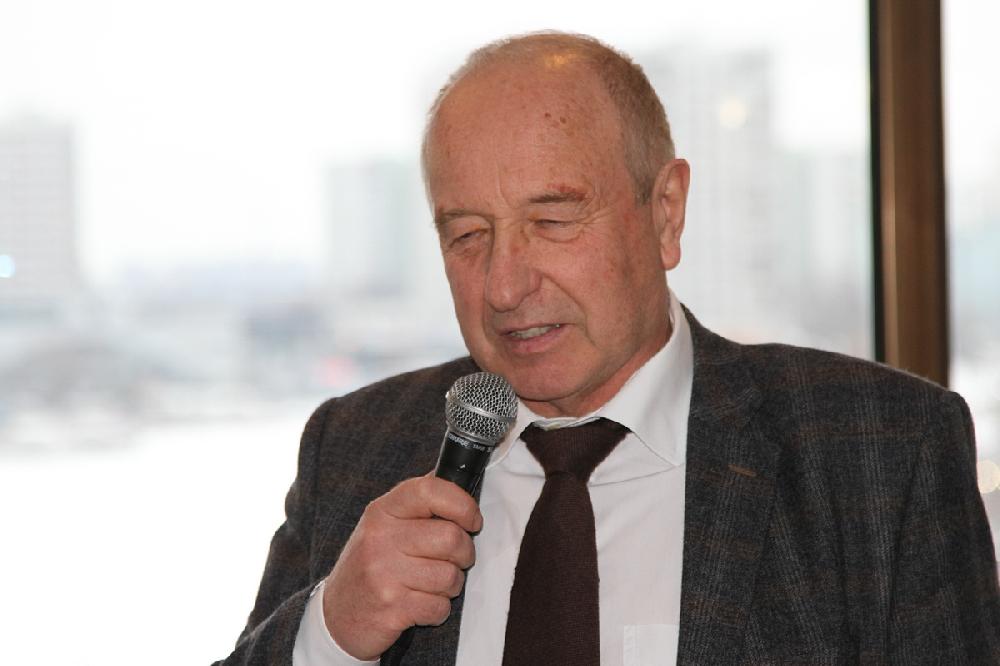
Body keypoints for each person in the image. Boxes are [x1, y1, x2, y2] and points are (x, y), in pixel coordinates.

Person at [216, 32, 1000, 665]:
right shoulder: (355, 447)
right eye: (468, 236)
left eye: (552, 221)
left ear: (666, 214)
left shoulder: (881, 452)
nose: (504, 286)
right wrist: (332, 636)